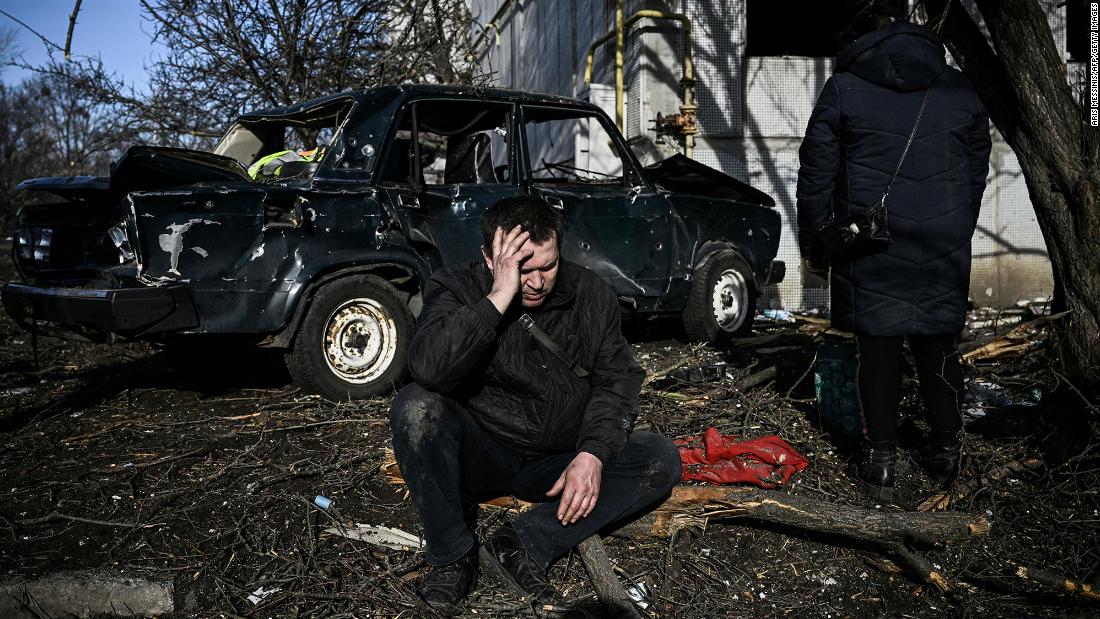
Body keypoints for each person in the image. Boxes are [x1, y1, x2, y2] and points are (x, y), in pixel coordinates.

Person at [389, 196, 681, 613]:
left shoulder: (590, 293)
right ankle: (452, 557)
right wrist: (498, 297)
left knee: (659, 457)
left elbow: (617, 380)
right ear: (489, 258)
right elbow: (429, 370)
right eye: (522, 269)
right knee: (417, 408)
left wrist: (593, 453)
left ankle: (522, 543)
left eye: (548, 266)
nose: (538, 281)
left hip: (557, 461)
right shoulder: (456, 286)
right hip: (481, 454)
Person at [796, 7, 992, 502]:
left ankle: (881, 460)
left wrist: (818, 241)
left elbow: (815, 172)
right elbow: (976, 166)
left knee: (878, 349)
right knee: (938, 344)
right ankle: (947, 450)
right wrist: (959, 224)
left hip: (870, 242)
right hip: (942, 240)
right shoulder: (958, 89)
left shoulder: (845, 87)